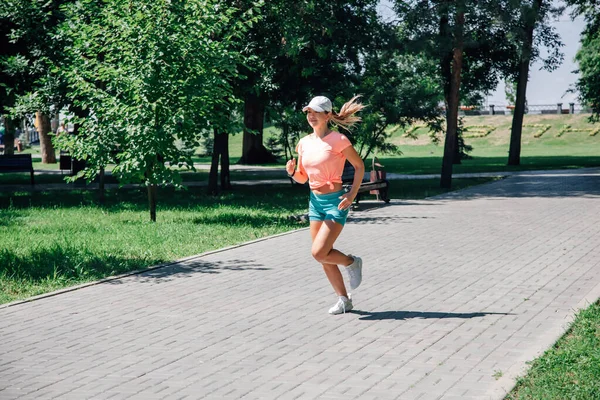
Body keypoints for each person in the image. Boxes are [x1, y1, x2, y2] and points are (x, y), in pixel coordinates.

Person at [286, 95, 366, 315]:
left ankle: (351, 262)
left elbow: (359, 167)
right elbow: (303, 178)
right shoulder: (303, 143)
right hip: (315, 203)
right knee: (323, 256)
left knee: (319, 252)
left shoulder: (339, 140)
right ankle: (344, 299)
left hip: (335, 202)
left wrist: (351, 194)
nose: (311, 116)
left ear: (328, 115)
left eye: (316, 112)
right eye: (308, 112)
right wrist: (292, 172)